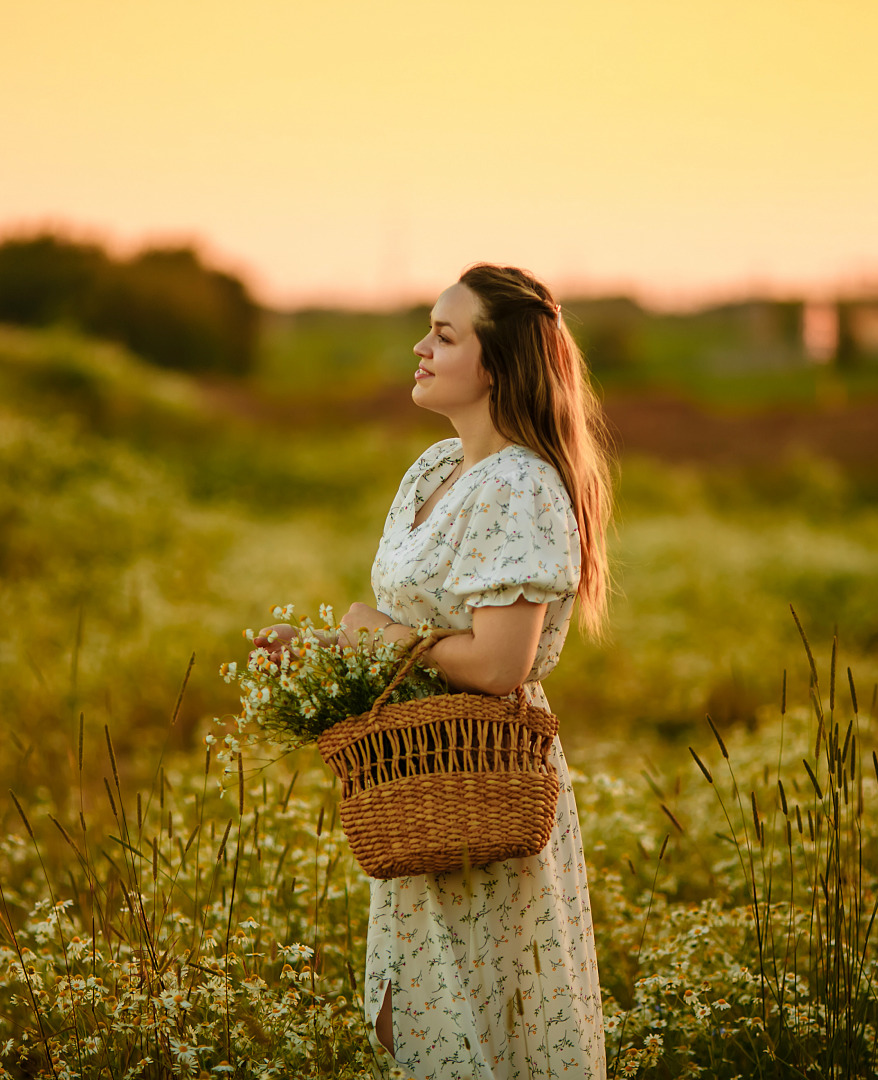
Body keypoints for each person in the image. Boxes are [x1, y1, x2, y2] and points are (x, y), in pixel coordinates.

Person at [260, 264, 612, 1078]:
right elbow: (423, 631)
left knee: (483, 1023)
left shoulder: (521, 483)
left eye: (445, 335)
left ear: (497, 364)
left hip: (482, 781)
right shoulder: (432, 469)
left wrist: (376, 640)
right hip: (423, 777)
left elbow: (497, 662)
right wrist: (320, 651)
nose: (420, 348)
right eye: (428, 328)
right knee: (415, 1018)